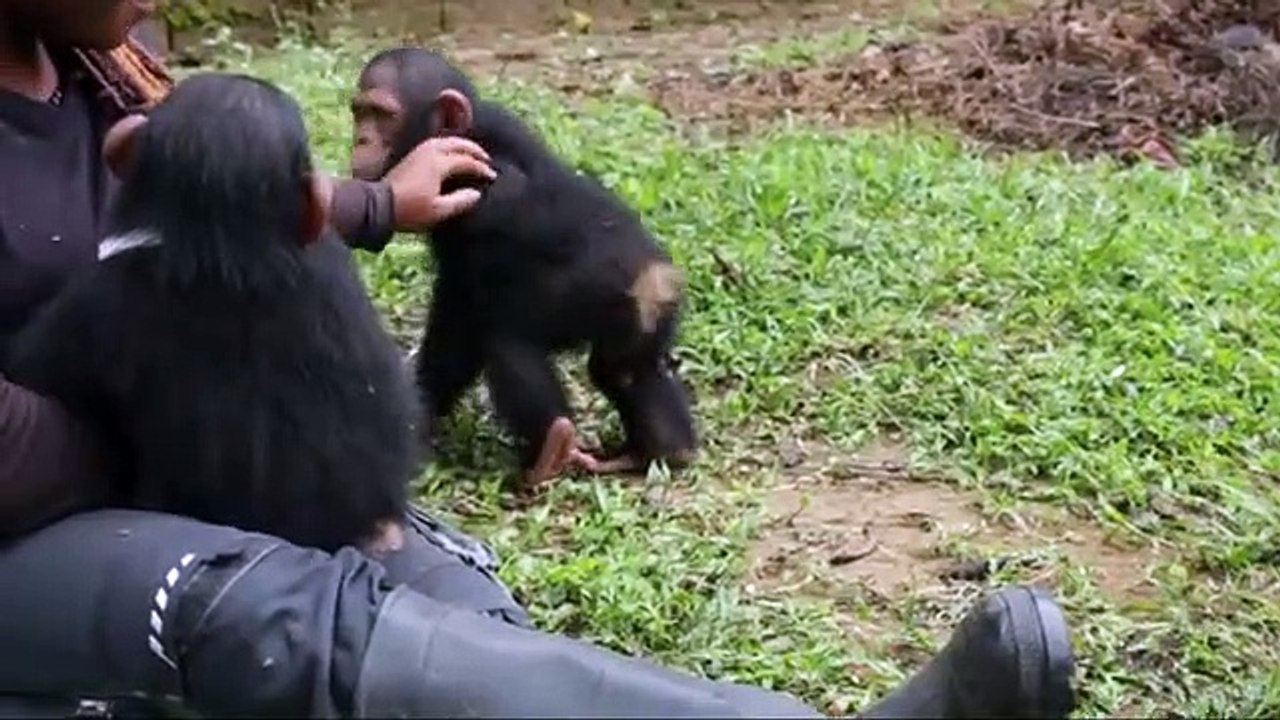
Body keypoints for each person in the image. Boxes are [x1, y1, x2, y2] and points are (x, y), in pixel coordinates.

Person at [0, 1, 1079, 717]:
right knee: (270, 604)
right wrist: (201, 451)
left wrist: (361, 226)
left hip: (164, 422)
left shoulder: (99, 58)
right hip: (45, 503)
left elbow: (229, 220)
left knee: (426, 580)